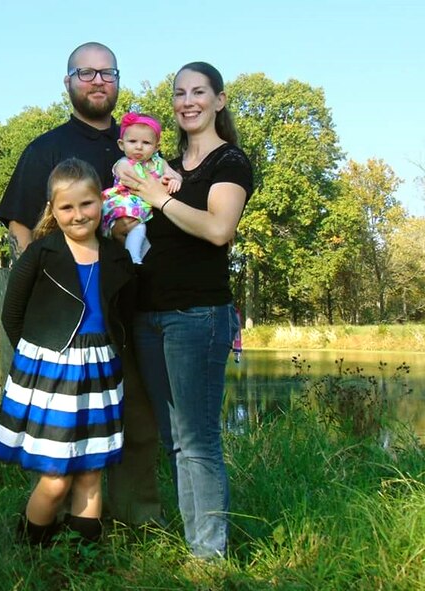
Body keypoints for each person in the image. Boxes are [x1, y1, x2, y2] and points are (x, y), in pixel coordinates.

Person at [0, 41, 162, 527]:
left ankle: (137, 523)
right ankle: (51, 528)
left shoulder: (138, 144)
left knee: (137, 428)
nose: (96, 81)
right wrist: (52, 280)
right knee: (60, 444)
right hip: (65, 328)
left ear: (117, 81)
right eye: (84, 73)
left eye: (106, 73)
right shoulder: (46, 148)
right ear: (67, 82)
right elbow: (20, 224)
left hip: (130, 315)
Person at [113, 61, 254, 559]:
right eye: (179, 93)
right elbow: (124, 211)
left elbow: (219, 229)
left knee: (198, 440)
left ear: (218, 100)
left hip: (198, 316)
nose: (188, 101)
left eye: (199, 91)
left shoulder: (229, 162)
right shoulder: (163, 164)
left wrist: (158, 199)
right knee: (174, 438)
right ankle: (198, 542)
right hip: (148, 315)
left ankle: (209, 555)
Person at [0, 158, 137, 545]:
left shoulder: (117, 256)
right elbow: (13, 314)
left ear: (100, 202)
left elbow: (126, 312)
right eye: (66, 207)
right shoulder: (41, 254)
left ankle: (83, 557)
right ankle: (30, 548)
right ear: (52, 210)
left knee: (91, 471)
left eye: (86, 204)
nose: (78, 215)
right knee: (56, 478)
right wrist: (40, 355)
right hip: (51, 372)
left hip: (100, 369)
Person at [101, 112, 182, 264]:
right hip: (124, 203)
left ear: (156, 147)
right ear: (121, 144)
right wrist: (160, 184)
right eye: (132, 141)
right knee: (137, 228)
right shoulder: (123, 163)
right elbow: (134, 179)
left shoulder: (160, 163)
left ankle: (135, 258)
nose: (139, 147)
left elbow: (174, 174)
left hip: (144, 206)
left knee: (143, 232)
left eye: (146, 143)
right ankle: (133, 259)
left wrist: (174, 180)